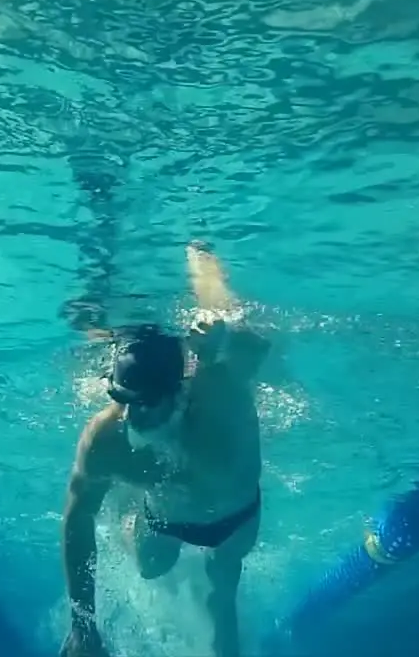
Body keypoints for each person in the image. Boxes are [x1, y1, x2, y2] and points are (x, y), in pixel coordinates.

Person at [60, 242, 271, 657]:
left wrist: (219, 322)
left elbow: (254, 345)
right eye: (124, 401)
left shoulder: (216, 392)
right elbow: (78, 518)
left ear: (177, 392)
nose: (131, 416)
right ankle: (128, 509)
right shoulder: (105, 436)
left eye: (145, 403)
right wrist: (83, 624)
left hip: (236, 520)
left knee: (223, 594)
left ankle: (197, 247)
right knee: (151, 568)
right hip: (162, 518)